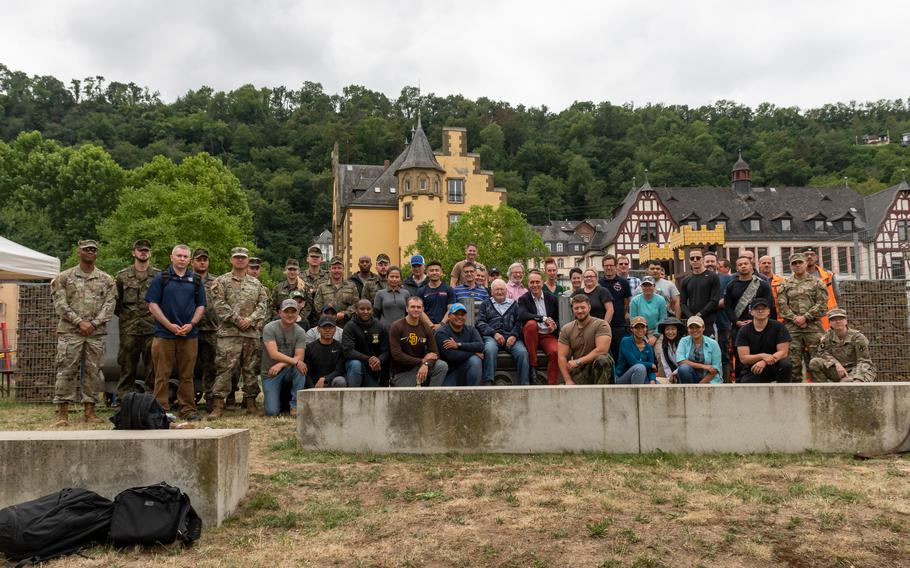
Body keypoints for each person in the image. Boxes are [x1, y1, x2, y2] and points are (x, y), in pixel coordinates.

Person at [51, 239, 117, 426]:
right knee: (66, 370)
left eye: (93, 250)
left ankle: (90, 411)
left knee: (93, 372)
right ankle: (62, 414)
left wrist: (94, 324)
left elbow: (110, 304)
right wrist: (79, 322)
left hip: (95, 334)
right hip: (71, 332)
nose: (90, 252)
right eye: (86, 249)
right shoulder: (64, 277)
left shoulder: (106, 279)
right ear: (79, 252)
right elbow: (60, 304)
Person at [207, 247, 270, 419]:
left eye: (243, 258)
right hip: (229, 334)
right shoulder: (221, 281)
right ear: (231, 260)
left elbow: (263, 305)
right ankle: (218, 404)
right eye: (237, 257)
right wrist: (237, 319)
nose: (240, 260)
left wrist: (250, 319)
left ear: (248, 260)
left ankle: (250, 403)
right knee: (225, 368)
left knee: (250, 369)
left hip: (250, 333)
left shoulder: (256, 284)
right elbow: (218, 305)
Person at [145, 244, 206, 420]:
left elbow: (201, 305)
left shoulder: (195, 280)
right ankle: (160, 411)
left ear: (190, 260)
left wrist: (192, 324)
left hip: (189, 335)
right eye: (179, 256)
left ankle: (188, 409)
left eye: (185, 256)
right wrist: (168, 325)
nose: (182, 259)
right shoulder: (161, 278)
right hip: (164, 334)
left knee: (187, 375)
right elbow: (152, 305)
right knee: (162, 374)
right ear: (171, 257)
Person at [114, 238, 159, 399]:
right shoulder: (122, 277)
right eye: (140, 250)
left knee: (152, 367)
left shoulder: (159, 276)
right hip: (129, 330)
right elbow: (116, 305)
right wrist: (130, 318)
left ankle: (151, 401)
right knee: (127, 367)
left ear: (150, 253)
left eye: (146, 250)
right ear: (134, 252)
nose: (143, 252)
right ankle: (124, 401)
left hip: (152, 329)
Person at [778, 253, 828, 381]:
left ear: (806, 263)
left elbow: (822, 304)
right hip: (792, 329)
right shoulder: (785, 284)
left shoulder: (817, 282)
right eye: (794, 263)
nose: (798, 265)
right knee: (793, 364)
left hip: (813, 328)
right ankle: (795, 394)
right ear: (791, 266)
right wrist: (795, 318)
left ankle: (820, 393)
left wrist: (806, 317)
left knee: (818, 362)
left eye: (800, 262)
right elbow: (782, 305)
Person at [260, 299, 308, 416]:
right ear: (280, 313)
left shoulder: (300, 332)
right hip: (270, 373)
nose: (290, 315)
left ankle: (295, 406)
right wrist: (294, 361)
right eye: (286, 311)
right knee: (272, 412)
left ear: (298, 314)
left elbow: (299, 357)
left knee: (300, 368)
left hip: (288, 370)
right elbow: (273, 354)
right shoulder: (269, 328)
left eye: (293, 312)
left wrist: (281, 364)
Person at [477, 279, 530, 385]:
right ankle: (488, 382)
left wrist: (514, 335)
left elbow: (519, 322)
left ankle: (524, 384)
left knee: (522, 352)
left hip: (511, 337)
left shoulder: (514, 304)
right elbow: (480, 322)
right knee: (489, 349)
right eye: (496, 289)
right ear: (491, 292)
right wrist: (494, 333)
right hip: (492, 337)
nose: (499, 292)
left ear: (506, 291)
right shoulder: (485, 304)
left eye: (502, 289)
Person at [388, 296, 448, 386]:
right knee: (409, 398)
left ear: (422, 309)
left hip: (422, 367)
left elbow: (435, 352)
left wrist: (426, 364)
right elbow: (397, 355)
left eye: (419, 307)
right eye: (412, 307)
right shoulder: (396, 326)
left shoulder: (425, 327)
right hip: (402, 373)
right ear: (406, 309)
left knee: (441, 366)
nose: (416, 309)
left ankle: (432, 397)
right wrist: (421, 361)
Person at [557, 294, 613, 385]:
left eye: (583, 307)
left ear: (589, 307)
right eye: (576, 308)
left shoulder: (601, 324)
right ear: (572, 309)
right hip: (579, 372)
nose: (580, 311)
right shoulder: (566, 329)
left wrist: (578, 362)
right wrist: (568, 380)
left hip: (597, 368)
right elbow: (561, 356)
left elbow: (602, 350)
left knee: (603, 359)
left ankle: (601, 394)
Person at [809, 308, 877, 382]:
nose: (838, 321)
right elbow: (821, 353)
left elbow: (864, 361)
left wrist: (858, 378)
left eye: (841, 318)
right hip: (838, 370)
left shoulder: (858, 337)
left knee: (845, 383)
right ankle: (823, 390)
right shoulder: (827, 336)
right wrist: (836, 363)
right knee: (815, 362)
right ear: (830, 323)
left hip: (857, 369)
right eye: (834, 320)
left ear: (846, 321)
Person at [518, 270, 560, 385]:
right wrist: (543, 318)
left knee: (555, 351)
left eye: (537, 282)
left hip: (547, 335)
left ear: (542, 283)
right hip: (532, 336)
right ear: (528, 284)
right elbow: (521, 314)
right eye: (532, 282)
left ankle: (552, 385)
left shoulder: (552, 298)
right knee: (531, 324)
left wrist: (554, 325)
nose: (535, 285)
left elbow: (559, 318)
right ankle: (533, 367)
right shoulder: (524, 299)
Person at [734, 297, 792, 383]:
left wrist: (765, 361)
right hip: (754, 367)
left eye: (764, 308)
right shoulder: (744, 331)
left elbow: (783, 352)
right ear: (751, 312)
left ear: (769, 311)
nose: (760, 311)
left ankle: (784, 393)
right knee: (746, 383)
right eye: (757, 308)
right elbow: (744, 358)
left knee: (786, 365)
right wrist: (762, 356)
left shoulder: (779, 327)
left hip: (775, 364)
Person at [191, 248, 220, 411]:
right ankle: (188, 400)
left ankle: (210, 398)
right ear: (192, 262)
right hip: (190, 329)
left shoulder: (217, 281)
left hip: (211, 329)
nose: (202, 262)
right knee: (188, 367)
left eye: (205, 259)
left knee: (211, 367)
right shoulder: (186, 279)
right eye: (199, 259)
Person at [724, 256, 776, 342]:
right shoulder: (731, 286)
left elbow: (770, 305)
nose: (743, 266)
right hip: (738, 328)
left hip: (760, 326)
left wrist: (755, 320)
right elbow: (728, 307)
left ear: (751, 266)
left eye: (746, 263)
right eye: (740, 265)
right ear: (736, 268)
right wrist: (736, 321)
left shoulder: (763, 285)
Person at [342, 299, 390, 387]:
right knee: (356, 364)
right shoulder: (349, 326)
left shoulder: (380, 326)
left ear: (372, 310)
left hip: (375, 368)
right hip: (355, 367)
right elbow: (348, 351)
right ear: (356, 311)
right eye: (362, 309)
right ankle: (353, 395)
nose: (365, 311)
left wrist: (379, 360)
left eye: (368, 309)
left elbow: (386, 351)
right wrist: (369, 359)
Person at [435, 303, 484, 386]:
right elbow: (452, 355)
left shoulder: (471, 329)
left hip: (466, 366)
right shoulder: (442, 332)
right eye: (456, 314)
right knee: (448, 397)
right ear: (449, 316)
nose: (460, 317)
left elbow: (480, 346)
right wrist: (473, 353)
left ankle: (474, 393)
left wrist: (458, 345)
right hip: (450, 371)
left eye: (462, 314)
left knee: (475, 361)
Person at [679, 248, 721, 337]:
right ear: (689, 261)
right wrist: (691, 316)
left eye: (698, 258)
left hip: (708, 321)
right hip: (692, 322)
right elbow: (682, 303)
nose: (695, 260)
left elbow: (714, 300)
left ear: (702, 259)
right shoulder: (685, 280)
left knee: (709, 348)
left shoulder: (713, 277)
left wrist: (699, 314)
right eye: (692, 258)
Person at [599, 255, 631, 362]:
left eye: (611, 265)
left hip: (619, 323)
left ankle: (619, 377)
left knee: (618, 352)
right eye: (606, 265)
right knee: (604, 353)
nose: (609, 268)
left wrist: (625, 312)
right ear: (603, 267)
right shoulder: (599, 284)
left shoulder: (623, 282)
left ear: (615, 266)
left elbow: (627, 301)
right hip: (603, 323)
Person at [675, 316, 722, 384]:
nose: (694, 330)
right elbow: (681, 361)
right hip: (689, 378)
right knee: (683, 368)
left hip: (709, 379)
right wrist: (703, 366)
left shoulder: (713, 343)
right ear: (688, 329)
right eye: (691, 327)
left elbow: (715, 369)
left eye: (697, 327)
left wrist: (699, 386)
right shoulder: (683, 341)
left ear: (703, 328)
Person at [304, 316, 347, 388]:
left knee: (341, 381)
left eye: (331, 327)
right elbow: (307, 372)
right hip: (314, 384)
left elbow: (339, 370)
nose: (327, 330)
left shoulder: (340, 347)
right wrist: (312, 388)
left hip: (331, 382)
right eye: (324, 327)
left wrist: (325, 378)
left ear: (335, 329)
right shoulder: (310, 347)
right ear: (318, 329)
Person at [313, 256, 359, 324]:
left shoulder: (351, 286)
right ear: (329, 269)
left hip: (347, 324)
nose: (337, 271)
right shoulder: (321, 287)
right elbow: (317, 306)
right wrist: (329, 316)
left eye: (339, 268)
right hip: (327, 324)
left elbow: (356, 304)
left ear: (343, 269)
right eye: (334, 268)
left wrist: (345, 314)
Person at [711, 254, 734, 381]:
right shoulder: (708, 278)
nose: (717, 268)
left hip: (723, 322)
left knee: (724, 354)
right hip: (709, 323)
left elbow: (728, 299)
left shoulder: (727, 279)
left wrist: (711, 305)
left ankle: (725, 380)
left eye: (719, 266)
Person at [803, 246, 839, 329]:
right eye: (806, 255)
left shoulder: (828, 276)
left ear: (816, 257)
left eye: (812, 255)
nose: (809, 257)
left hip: (826, 317)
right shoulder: (794, 279)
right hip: (805, 319)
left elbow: (837, 296)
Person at [615, 316, 657, 384]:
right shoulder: (626, 341)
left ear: (646, 328)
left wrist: (652, 379)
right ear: (632, 329)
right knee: (640, 368)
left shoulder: (648, 347)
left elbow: (651, 370)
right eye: (637, 327)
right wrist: (651, 364)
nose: (640, 330)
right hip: (622, 378)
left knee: (658, 385)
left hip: (642, 376)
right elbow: (633, 362)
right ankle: (636, 394)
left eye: (643, 327)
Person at [271, 258, 311, 324]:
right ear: (285, 270)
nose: (292, 272)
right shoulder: (278, 288)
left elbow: (308, 306)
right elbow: (272, 306)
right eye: (290, 269)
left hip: (299, 322)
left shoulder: (304, 288)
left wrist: (299, 318)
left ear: (298, 271)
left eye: (294, 270)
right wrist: (280, 318)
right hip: (281, 322)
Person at [629, 276, 668, 344]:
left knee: (659, 352)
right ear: (641, 287)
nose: (647, 288)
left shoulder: (661, 300)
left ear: (654, 286)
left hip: (656, 331)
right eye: (645, 286)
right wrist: (642, 336)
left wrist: (655, 336)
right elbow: (633, 319)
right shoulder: (635, 301)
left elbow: (663, 319)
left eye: (649, 285)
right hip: (639, 330)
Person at [417, 260, 455, 328]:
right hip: (426, 328)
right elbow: (420, 310)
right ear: (427, 273)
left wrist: (442, 324)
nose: (434, 272)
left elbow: (451, 309)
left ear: (441, 272)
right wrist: (431, 325)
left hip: (445, 328)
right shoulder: (421, 291)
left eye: (437, 270)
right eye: (431, 270)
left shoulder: (449, 289)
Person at [654, 318, 685, 382]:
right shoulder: (664, 345)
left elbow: (686, 363)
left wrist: (674, 373)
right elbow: (666, 366)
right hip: (673, 376)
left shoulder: (684, 342)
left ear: (677, 330)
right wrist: (669, 378)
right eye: (667, 329)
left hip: (685, 373)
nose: (670, 332)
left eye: (673, 329)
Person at [758, 255, 785, 322]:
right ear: (759, 265)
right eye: (764, 263)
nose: (766, 265)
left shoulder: (781, 281)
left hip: (777, 316)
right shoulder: (754, 281)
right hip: (760, 313)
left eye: (769, 263)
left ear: (772, 265)